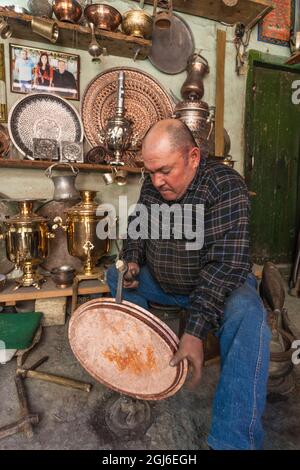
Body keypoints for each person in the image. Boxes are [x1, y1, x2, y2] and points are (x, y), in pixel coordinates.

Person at [107, 119, 271, 450]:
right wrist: (133, 259)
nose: (157, 181)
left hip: (215, 286)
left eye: (165, 170)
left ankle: (231, 441)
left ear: (193, 157)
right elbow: (138, 226)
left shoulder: (225, 186)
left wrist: (195, 331)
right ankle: (148, 368)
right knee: (115, 275)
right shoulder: (154, 183)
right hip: (165, 282)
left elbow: (223, 266)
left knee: (249, 318)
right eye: (150, 172)